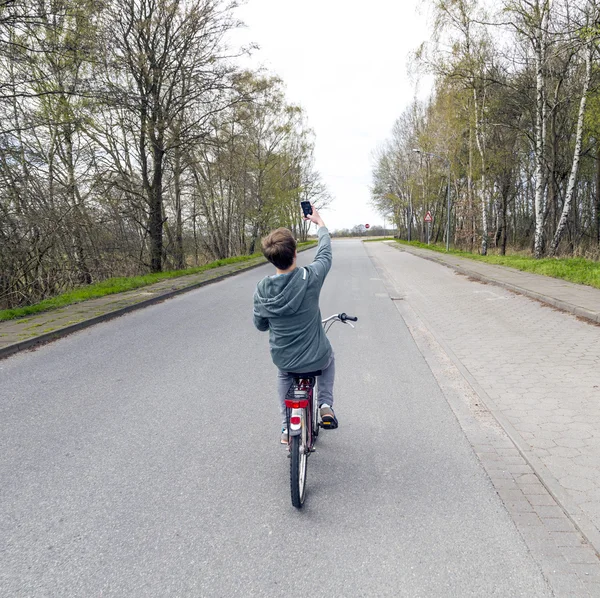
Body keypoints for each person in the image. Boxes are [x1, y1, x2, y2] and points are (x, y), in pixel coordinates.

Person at [253, 204, 336, 444]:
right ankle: (325, 404)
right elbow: (325, 254)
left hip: (285, 358)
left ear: (271, 258)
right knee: (330, 358)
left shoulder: (262, 288)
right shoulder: (310, 277)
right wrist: (320, 225)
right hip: (316, 357)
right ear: (295, 252)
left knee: (284, 374)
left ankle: (285, 427)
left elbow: (260, 325)